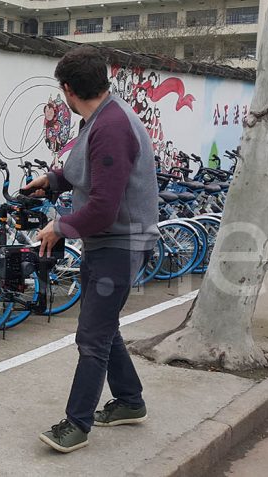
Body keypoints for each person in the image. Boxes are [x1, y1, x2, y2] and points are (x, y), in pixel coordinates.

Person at [25, 46, 159, 453]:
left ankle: (76, 424)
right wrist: (52, 182)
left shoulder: (111, 126)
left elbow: (104, 206)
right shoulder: (99, 118)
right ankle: (131, 401)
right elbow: (84, 170)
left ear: (67, 89)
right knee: (104, 328)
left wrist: (59, 226)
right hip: (108, 241)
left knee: (91, 338)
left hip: (119, 244)